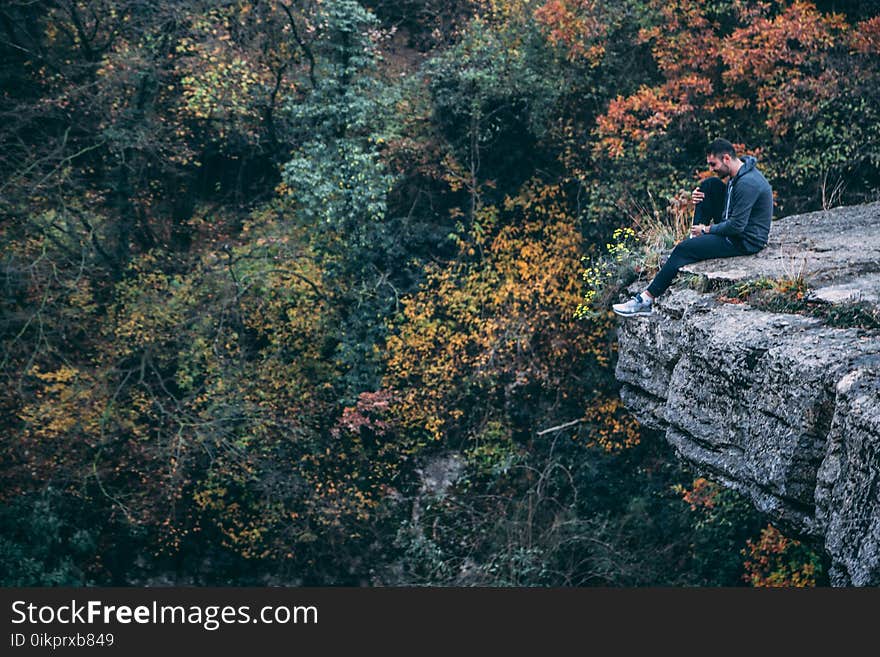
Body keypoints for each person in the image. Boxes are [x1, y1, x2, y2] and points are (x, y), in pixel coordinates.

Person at [612, 138, 773, 317]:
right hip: (735, 228)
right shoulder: (739, 172)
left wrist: (706, 230)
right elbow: (728, 205)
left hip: (744, 240)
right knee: (708, 186)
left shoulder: (747, 183)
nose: (711, 168)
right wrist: (700, 199)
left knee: (682, 250)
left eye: (713, 164)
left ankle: (646, 301)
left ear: (726, 158)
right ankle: (695, 242)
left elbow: (736, 226)